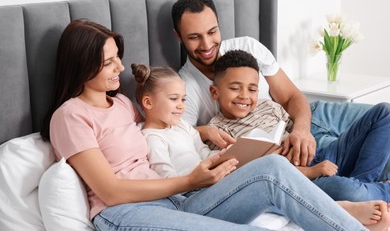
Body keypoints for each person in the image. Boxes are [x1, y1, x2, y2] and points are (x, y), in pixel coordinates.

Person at [39, 19, 390, 231]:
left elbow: (159, 130)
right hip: (125, 212)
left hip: (176, 199)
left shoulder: (121, 103)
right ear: (82, 65)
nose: (119, 68)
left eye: (118, 57)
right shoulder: (70, 116)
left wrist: (201, 132)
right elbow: (112, 191)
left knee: (272, 167)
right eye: (108, 62)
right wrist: (190, 180)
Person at [132, 61, 389, 227]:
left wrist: (225, 154)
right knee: (348, 190)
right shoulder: (152, 137)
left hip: (308, 157)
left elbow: (202, 152)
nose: (181, 106)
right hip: (209, 188)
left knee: (383, 112)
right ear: (148, 103)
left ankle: (366, 189)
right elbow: (166, 179)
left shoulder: (186, 128)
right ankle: (362, 199)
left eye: (184, 100)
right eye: (174, 99)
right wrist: (203, 172)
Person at [171, 0, 375, 169]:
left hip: (306, 116)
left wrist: (302, 130)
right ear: (178, 36)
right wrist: (204, 130)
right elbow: (176, 136)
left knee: (383, 116)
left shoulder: (248, 46)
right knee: (365, 158)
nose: (206, 44)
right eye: (194, 37)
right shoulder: (184, 87)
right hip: (283, 145)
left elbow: (291, 96)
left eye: (212, 31)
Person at [207, 49, 390, 204]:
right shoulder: (218, 131)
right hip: (300, 179)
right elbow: (257, 175)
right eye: (235, 88)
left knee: (383, 111)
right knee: (347, 191)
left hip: (323, 156)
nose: (245, 96)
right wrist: (312, 171)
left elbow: (301, 132)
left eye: (252, 89)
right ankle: (372, 191)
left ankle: (365, 185)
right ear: (215, 92)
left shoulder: (269, 106)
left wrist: (304, 135)